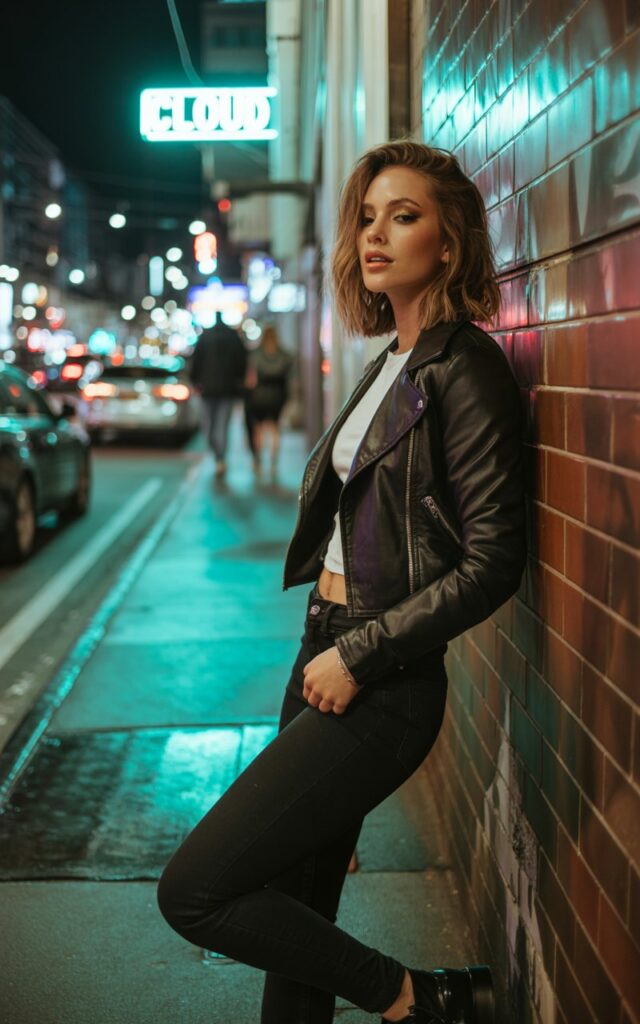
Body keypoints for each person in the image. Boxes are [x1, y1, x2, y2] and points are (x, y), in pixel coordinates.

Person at [157, 141, 526, 1024]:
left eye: (404, 217)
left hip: (379, 679)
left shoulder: (462, 367)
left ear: (450, 242)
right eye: (367, 216)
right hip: (322, 655)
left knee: (196, 890)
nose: (375, 234)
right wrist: (332, 650)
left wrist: (359, 654)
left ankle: (418, 1000)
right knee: (297, 899)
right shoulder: (389, 361)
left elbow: (493, 560)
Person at [189, 319, 248, 478]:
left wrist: (194, 381)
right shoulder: (233, 337)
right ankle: (219, 457)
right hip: (226, 390)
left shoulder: (205, 337)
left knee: (210, 426)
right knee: (220, 426)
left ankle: (219, 457)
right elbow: (242, 362)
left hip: (208, 389)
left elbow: (195, 361)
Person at [245, 325, 293, 477]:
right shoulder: (284, 355)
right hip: (278, 396)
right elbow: (289, 376)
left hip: (259, 397)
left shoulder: (256, 354)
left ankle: (258, 459)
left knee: (258, 429)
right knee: (274, 428)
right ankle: (273, 460)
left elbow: (250, 379)